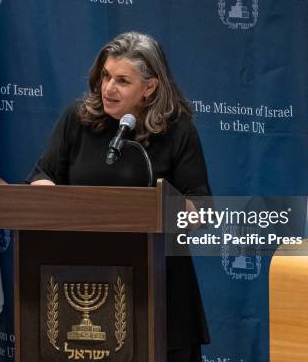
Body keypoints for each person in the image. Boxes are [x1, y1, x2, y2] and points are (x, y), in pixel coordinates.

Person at [28, 31, 210, 361]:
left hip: (160, 289)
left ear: (150, 87)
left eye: (122, 81)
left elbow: (201, 209)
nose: (108, 88)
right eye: (106, 76)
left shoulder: (177, 130)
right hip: (82, 285)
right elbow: (42, 176)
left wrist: (159, 207)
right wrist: (53, 201)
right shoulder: (78, 119)